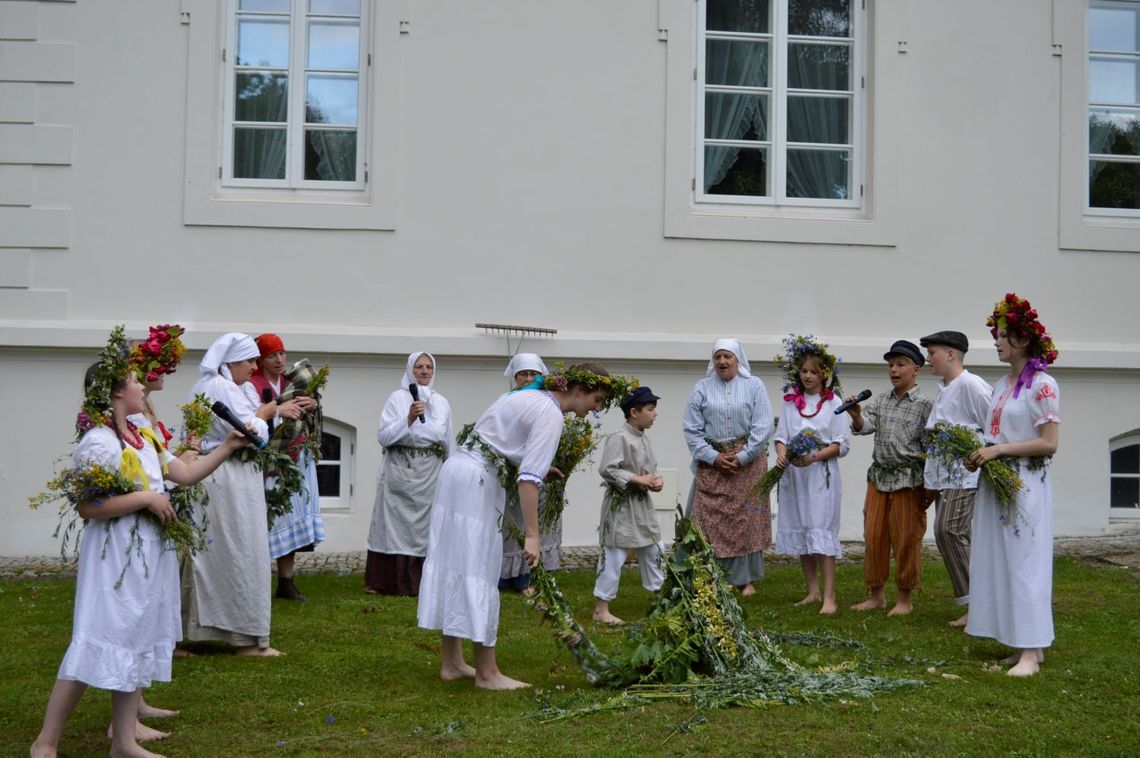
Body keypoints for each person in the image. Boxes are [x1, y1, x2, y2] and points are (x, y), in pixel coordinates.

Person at [31, 327, 249, 758]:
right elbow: (89, 508)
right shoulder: (99, 442)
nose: (140, 385)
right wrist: (147, 498)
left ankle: (125, 743)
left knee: (135, 635)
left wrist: (226, 446)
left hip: (149, 550)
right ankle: (46, 741)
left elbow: (181, 474)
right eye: (132, 381)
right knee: (99, 636)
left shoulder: (141, 434)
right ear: (115, 393)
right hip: (115, 553)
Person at [417, 363, 622, 690]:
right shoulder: (551, 413)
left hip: (457, 471)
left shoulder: (528, 394)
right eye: (596, 401)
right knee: (478, 568)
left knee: (457, 563)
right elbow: (528, 480)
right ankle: (487, 673)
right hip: (476, 482)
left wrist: (542, 465)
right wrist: (533, 535)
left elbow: (501, 441)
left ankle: (452, 662)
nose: (596, 410)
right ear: (578, 391)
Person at [965, 294, 1060, 677]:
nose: (996, 341)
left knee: (1025, 562)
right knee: (999, 560)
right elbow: (995, 433)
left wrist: (1001, 450)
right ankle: (1020, 643)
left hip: (1025, 483)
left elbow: (1050, 442)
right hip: (998, 482)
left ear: (1022, 339)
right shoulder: (1002, 384)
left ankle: (1032, 647)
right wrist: (980, 450)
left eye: (1003, 335)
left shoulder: (1043, 384)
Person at [182, 333, 284, 656]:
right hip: (231, 479)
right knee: (242, 552)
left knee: (207, 558)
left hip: (208, 476)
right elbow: (252, 431)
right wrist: (265, 415)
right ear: (231, 363)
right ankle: (245, 637)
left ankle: (192, 630)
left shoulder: (200, 387)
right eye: (250, 361)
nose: (254, 367)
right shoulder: (224, 389)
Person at [845, 340, 933, 616]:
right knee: (874, 536)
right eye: (891, 365)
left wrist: (930, 485)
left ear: (915, 369)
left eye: (901, 364)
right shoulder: (881, 400)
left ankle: (905, 598)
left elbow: (932, 448)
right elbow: (864, 427)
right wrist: (857, 416)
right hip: (879, 478)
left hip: (909, 480)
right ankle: (876, 595)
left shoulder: (925, 406)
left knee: (906, 538)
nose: (894, 370)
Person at [681, 339, 774, 596]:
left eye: (727, 356)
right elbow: (691, 428)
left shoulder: (754, 386)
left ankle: (746, 580)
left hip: (748, 463)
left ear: (738, 359)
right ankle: (710, 574)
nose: (722, 361)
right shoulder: (702, 388)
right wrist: (713, 456)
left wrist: (743, 456)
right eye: (718, 357)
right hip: (713, 464)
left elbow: (763, 425)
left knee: (745, 519)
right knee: (707, 519)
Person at [919, 330, 993, 628]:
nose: (928, 359)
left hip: (964, 476)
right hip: (945, 478)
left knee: (948, 530)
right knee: (956, 536)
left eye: (932, 352)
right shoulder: (946, 388)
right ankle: (979, 603)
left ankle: (976, 604)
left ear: (950, 354)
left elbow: (993, 426)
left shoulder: (972, 385)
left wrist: (981, 455)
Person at [771, 337, 850, 616]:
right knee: (805, 531)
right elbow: (781, 436)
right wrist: (782, 453)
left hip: (819, 475)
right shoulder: (791, 402)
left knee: (821, 531)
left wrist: (813, 457)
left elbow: (841, 444)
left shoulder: (834, 403)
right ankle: (812, 590)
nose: (807, 376)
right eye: (804, 371)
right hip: (795, 476)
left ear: (824, 374)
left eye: (813, 371)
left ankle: (830, 597)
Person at [365, 351, 452, 596]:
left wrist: (449, 468)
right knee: (394, 525)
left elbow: (444, 438)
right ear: (409, 370)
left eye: (428, 367)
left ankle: (422, 580)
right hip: (400, 470)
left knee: (424, 526)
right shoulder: (397, 398)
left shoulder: (442, 402)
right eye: (419, 367)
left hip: (429, 472)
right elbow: (384, 436)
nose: (424, 372)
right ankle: (386, 580)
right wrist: (409, 419)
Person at [249, 333, 323, 602]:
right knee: (269, 515)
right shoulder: (252, 384)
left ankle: (286, 580)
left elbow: (305, 416)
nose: (279, 360)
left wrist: (312, 404)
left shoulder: (292, 381)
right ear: (260, 359)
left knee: (290, 513)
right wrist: (279, 409)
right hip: (268, 458)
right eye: (272, 355)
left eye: (281, 353)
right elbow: (252, 418)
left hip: (296, 455)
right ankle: (256, 577)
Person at [593, 386, 665, 625]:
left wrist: (655, 480)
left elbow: (649, 469)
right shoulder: (619, 438)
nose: (654, 415)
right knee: (614, 553)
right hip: (621, 506)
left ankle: (660, 597)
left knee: (655, 548)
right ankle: (601, 608)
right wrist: (636, 479)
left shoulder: (644, 439)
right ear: (634, 412)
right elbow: (608, 469)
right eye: (650, 410)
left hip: (641, 504)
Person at [498, 353, 553, 596]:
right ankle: (502, 575)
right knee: (509, 524)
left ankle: (525, 576)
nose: (529, 378)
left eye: (533, 374)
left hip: (536, 471)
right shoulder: (506, 400)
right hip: (511, 471)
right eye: (523, 374)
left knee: (531, 523)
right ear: (515, 377)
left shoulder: (546, 402)